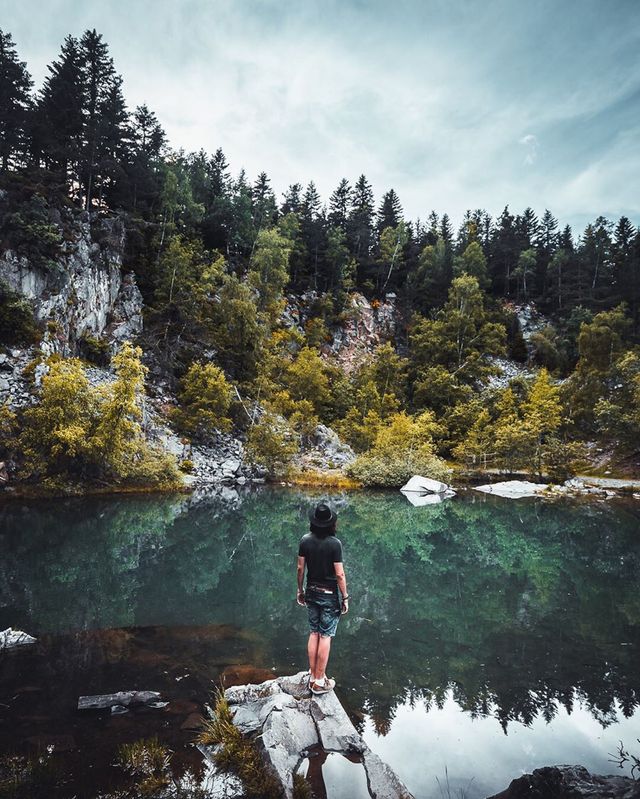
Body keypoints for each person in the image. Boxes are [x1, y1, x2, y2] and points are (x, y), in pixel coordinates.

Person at [297, 501, 349, 695]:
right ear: (331, 523)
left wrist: (299, 590)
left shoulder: (305, 540)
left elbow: (300, 568)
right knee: (325, 635)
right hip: (329, 595)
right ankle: (319, 681)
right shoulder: (335, 544)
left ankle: (312, 674)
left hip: (311, 591)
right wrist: (345, 597)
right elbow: (340, 575)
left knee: (314, 632)